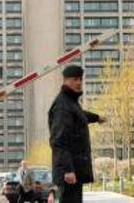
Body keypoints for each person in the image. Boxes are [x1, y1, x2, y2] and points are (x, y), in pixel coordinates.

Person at [48, 65, 106, 203]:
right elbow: (58, 140)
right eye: (75, 79)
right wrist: (67, 170)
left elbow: (80, 115)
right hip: (69, 171)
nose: (79, 82)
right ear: (65, 80)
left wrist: (96, 118)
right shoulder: (62, 106)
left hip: (74, 169)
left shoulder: (70, 102)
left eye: (80, 79)